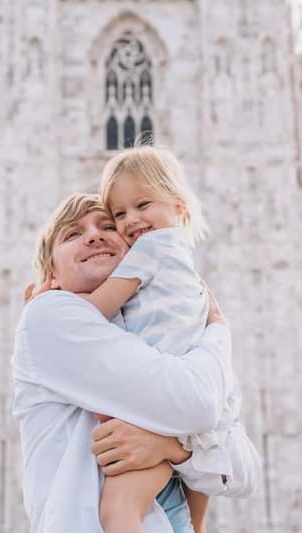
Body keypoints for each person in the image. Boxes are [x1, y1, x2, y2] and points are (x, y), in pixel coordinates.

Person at [12, 193, 260, 533]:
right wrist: (217, 332)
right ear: (50, 273)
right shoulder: (49, 316)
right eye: (72, 234)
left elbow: (246, 472)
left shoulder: (163, 331)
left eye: (107, 227)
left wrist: (172, 449)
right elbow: (200, 406)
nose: (93, 236)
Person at [78, 145, 238, 533]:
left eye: (142, 205)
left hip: (158, 400)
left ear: (178, 206)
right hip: (206, 408)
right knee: (192, 500)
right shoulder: (183, 258)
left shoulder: (148, 250)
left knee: (117, 510)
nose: (131, 220)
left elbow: (94, 310)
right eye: (119, 214)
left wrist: (55, 300)